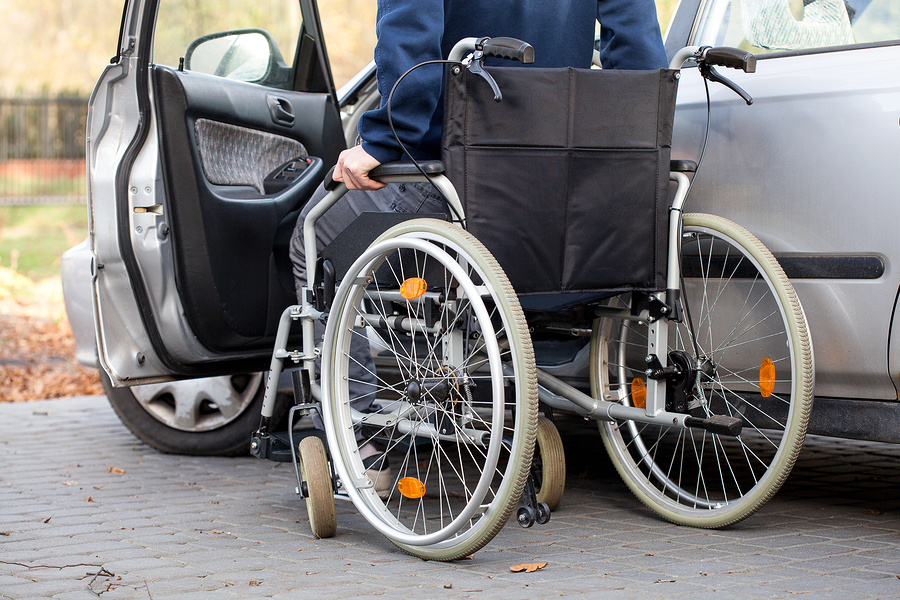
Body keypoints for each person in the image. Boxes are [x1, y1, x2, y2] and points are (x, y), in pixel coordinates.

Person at [288, 0, 668, 494]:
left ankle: (357, 436)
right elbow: (639, 51)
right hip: (559, 183)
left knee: (312, 240)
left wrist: (384, 141)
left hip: (458, 174)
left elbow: (411, 39)